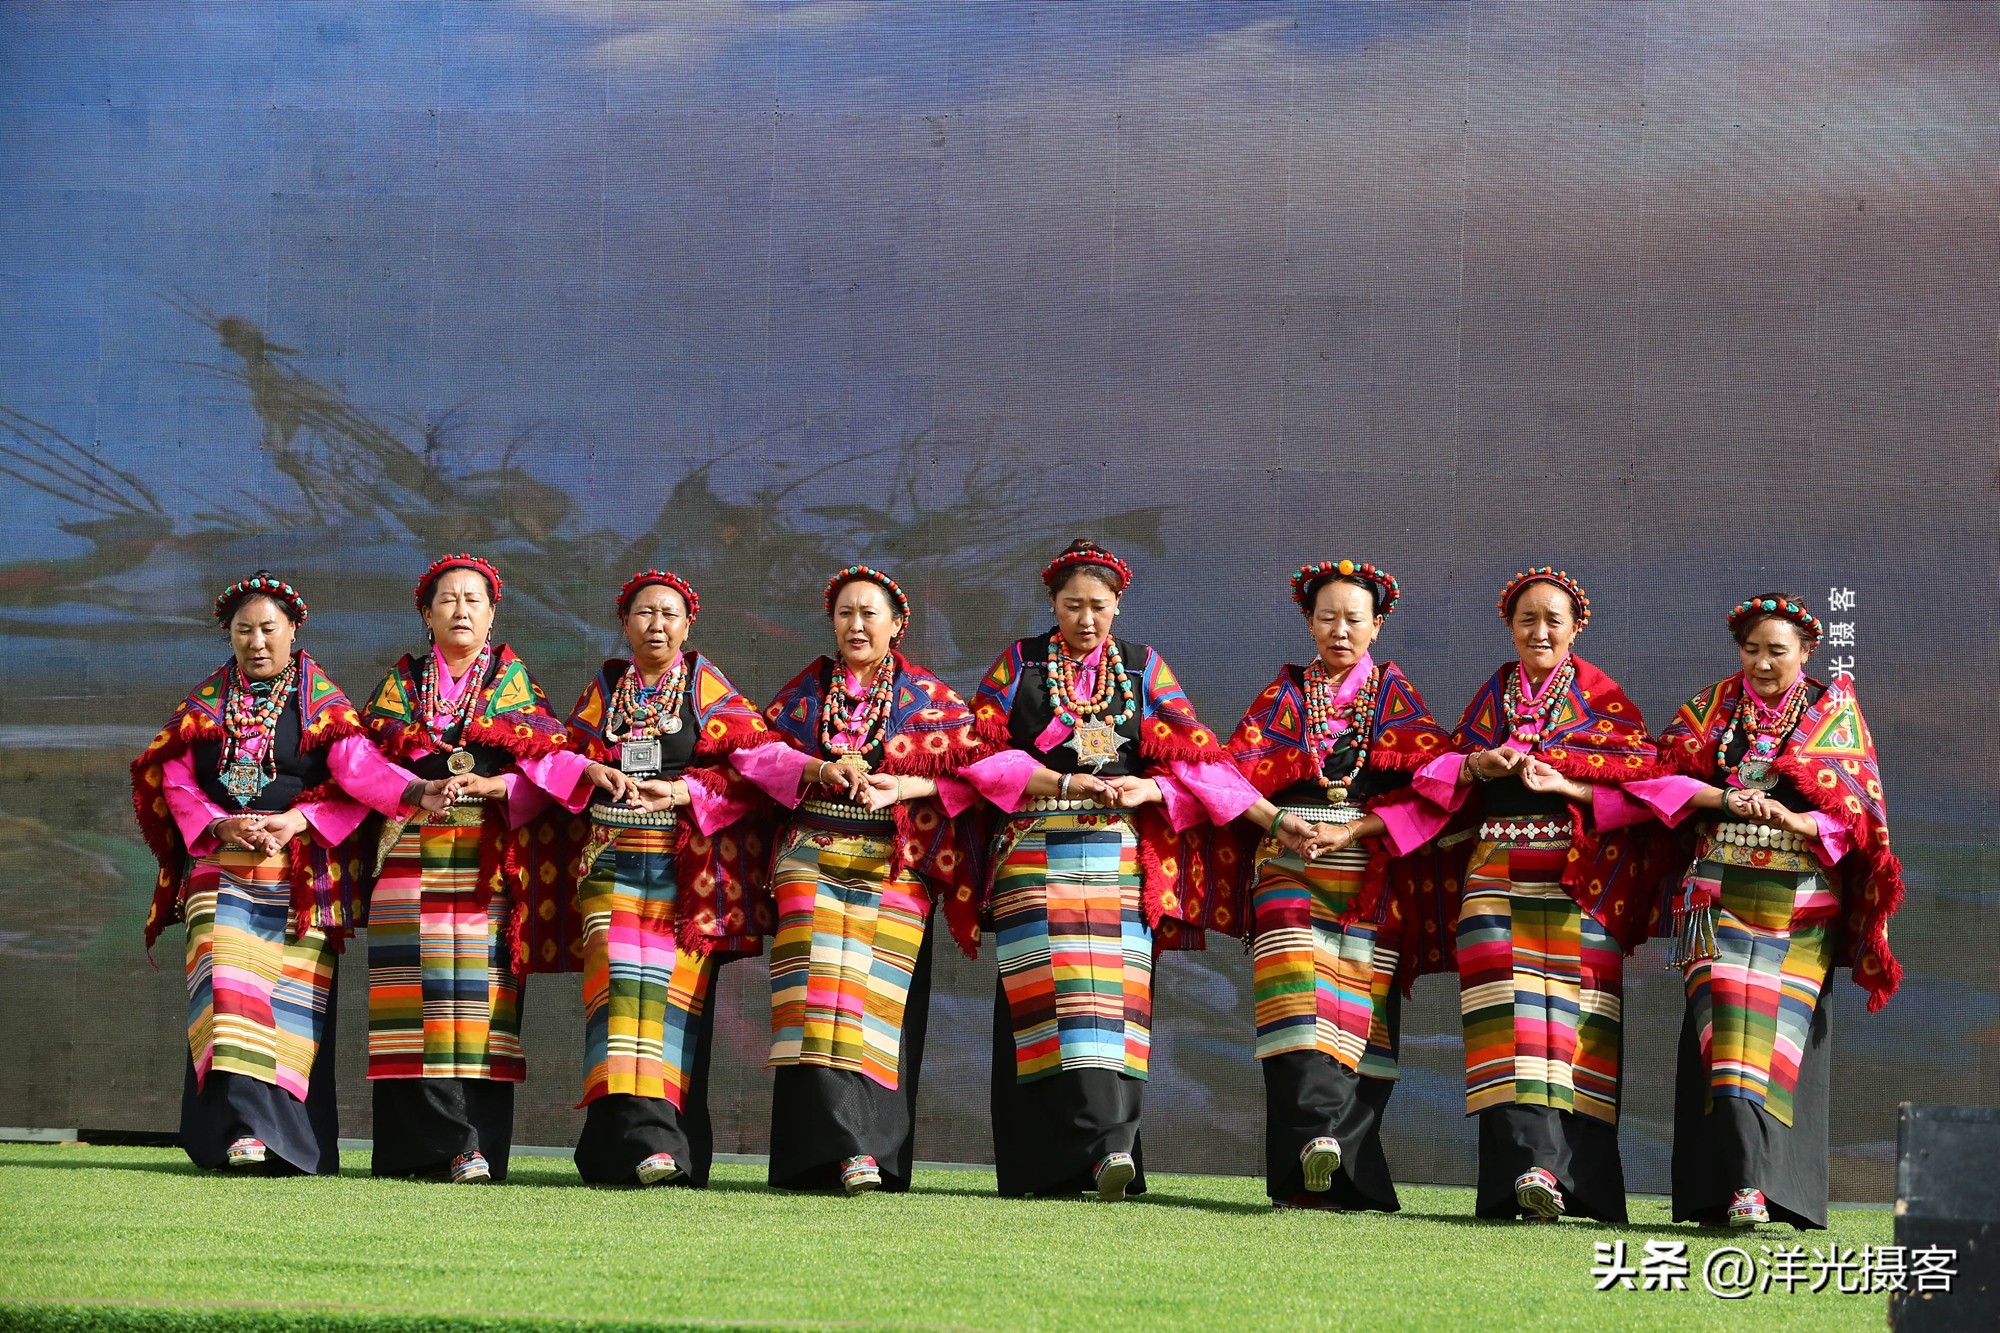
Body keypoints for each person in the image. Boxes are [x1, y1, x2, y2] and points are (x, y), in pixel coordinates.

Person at [963, 540, 1258, 1201]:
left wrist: (1149, 792)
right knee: (1049, 1006)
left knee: (1113, 1007)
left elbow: (1198, 758)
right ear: (1052, 605)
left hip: (1119, 862)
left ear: (1119, 605)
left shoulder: (1142, 667)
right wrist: (1056, 780)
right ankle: (1048, 1163)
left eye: (1099, 606)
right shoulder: (1020, 663)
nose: (1087, 619)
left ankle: (1109, 1153)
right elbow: (976, 756)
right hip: (1034, 854)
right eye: (1073, 606)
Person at [131, 572, 425, 1174]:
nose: (257, 641)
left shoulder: (324, 706)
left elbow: (360, 780)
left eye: (269, 628)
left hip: (301, 876)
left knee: (289, 1002)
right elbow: (178, 782)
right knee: (228, 983)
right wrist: (219, 826)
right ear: (228, 635)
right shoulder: (204, 706)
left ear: (294, 630)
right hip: (222, 868)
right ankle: (241, 1130)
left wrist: (302, 818)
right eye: (244, 630)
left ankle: (285, 1143)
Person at [1626, 594, 1904, 1229]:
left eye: (1776, 651)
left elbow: (1856, 819)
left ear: (1807, 652)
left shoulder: (1832, 715)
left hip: (1802, 905)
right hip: (1715, 893)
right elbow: (1653, 778)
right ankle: (1744, 1186)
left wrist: (1789, 815)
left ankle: (1777, 1189)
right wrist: (1721, 798)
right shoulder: (1712, 709)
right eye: (1751, 650)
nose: (1761, 662)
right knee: (1724, 1034)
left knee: (1776, 1046)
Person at [1411, 566, 1669, 1223]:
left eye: (1554, 619)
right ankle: (1529, 1170)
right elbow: (1435, 768)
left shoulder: (1604, 697)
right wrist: (1478, 763)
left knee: (1579, 1027)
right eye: (1528, 619)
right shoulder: (1495, 693)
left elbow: (1645, 785)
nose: (1541, 630)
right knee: (1511, 1023)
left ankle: (1574, 1179)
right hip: (1496, 875)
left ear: (1577, 627)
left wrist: (1567, 785)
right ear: (1510, 625)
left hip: (1581, 880)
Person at [730, 565, 989, 1194]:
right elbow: (753, 754)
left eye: (869, 613)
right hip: (811, 857)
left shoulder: (928, 697)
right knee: (815, 998)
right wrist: (817, 769)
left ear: (898, 624)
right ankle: (828, 1150)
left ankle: (868, 1150)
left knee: (875, 1003)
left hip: (892, 863)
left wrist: (905, 784)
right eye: (845, 613)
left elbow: (977, 771)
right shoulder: (807, 691)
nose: (856, 625)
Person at [533, 569, 782, 1188]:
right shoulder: (606, 689)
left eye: (669, 614)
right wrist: (590, 772)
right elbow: (561, 751)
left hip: (684, 868)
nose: (657, 624)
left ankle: (664, 1146)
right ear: (624, 624)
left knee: (670, 1000)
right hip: (610, 860)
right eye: (645, 613)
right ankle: (626, 1149)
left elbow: (750, 765)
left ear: (688, 624)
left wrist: (677, 789)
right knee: (619, 999)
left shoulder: (706, 685)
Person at [1224, 560, 1455, 1211]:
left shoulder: (1396, 701)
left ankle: (1344, 1167)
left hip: (1366, 871)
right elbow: (1228, 774)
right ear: (1308, 620)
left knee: (1361, 1020)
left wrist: (1357, 831)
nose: (1341, 629)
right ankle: (1314, 1138)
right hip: (1288, 864)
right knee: (1296, 1002)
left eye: (1355, 617)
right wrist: (1278, 820)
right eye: (1327, 616)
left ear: (1378, 624)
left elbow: (1435, 787)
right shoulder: (1284, 696)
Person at [357, 553, 579, 1183]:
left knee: (481, 1001)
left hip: (487, 861)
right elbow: (363, 765)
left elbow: (547, 768)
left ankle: (475, 1145)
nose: (460, 610)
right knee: (414, 997)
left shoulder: (515, 685)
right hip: (408, 853)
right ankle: (421, 1150)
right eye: (447, 599)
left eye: (473, 600)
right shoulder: (398, 686)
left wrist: (496, 786)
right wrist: (413, 789)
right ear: (425, 613)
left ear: (491, 613)